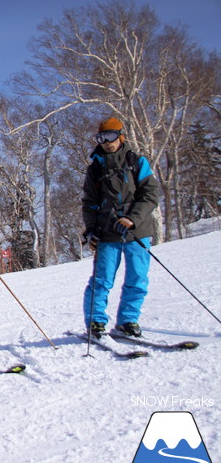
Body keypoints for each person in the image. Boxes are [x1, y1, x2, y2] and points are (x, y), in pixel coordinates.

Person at [81, 117, 159, 339]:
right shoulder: (95, 168)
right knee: (102, 280)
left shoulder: (137, 161)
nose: (107, 142)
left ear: (120, 136)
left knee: (137, 278)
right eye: (101, 138)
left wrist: (133, 218)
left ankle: (127, 321)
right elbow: (89, 203)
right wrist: (91, 230)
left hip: (138, 230)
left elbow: (150, 195)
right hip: (107, 231)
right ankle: (95, 322)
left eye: (111, 136)